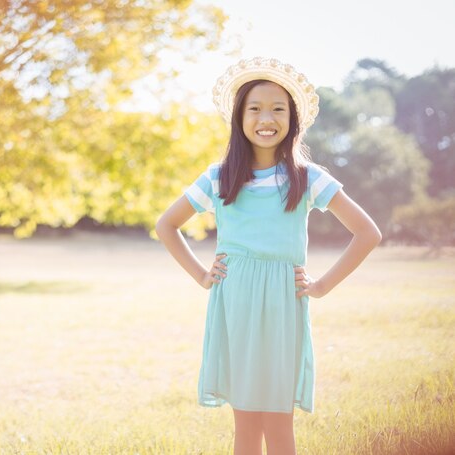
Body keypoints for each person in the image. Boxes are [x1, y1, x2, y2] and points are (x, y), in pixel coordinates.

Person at [155, 57, 382, 455]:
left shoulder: (307, 177)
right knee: (245, 421)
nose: (266, 118)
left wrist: (323, 285)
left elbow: (368, 232)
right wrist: (201, 275)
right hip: (235, 300)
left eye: (278, 109)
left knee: (278, 420)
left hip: (282, 302)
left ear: (292, 119)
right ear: (239, 118)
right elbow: (166, 225)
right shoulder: (219, 176)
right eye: (255, 108)